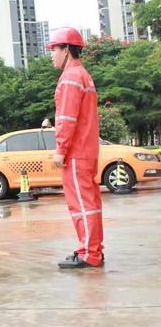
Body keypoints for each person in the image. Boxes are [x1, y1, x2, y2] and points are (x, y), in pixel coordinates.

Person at [47, 27, 104, 269]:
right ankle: (93, 250)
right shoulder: (84, 75)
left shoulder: (70, 77)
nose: (52, 55)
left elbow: (67, 118)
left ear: (67, 50)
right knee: (90, 203)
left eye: (54, 50)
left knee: (81, 205)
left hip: (76, 152)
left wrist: (61, 149)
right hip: (87, 150)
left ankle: (89, 254)